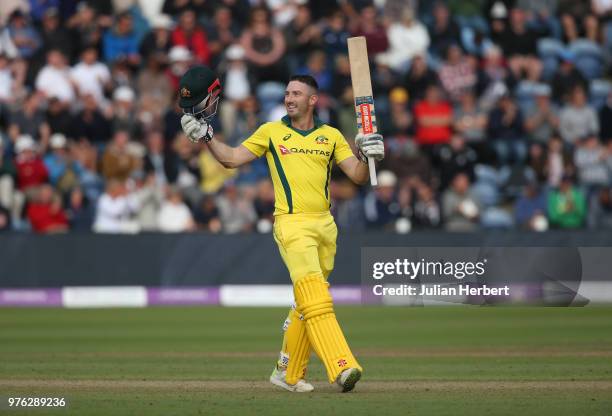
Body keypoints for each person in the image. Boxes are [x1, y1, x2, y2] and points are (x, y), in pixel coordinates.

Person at [180, 67, 384, 392]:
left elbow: (358, 176)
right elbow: (231, 158)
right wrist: (207, 138)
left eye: (296, 94)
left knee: (306, 302)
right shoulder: (271, 132)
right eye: (287, 93)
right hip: (291, 223)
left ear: (313, 100)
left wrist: (370, 154)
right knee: (317, 298)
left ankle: (286, 373)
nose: (289, 98)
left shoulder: (330, 135)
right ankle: (342, 365)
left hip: (325, 226)